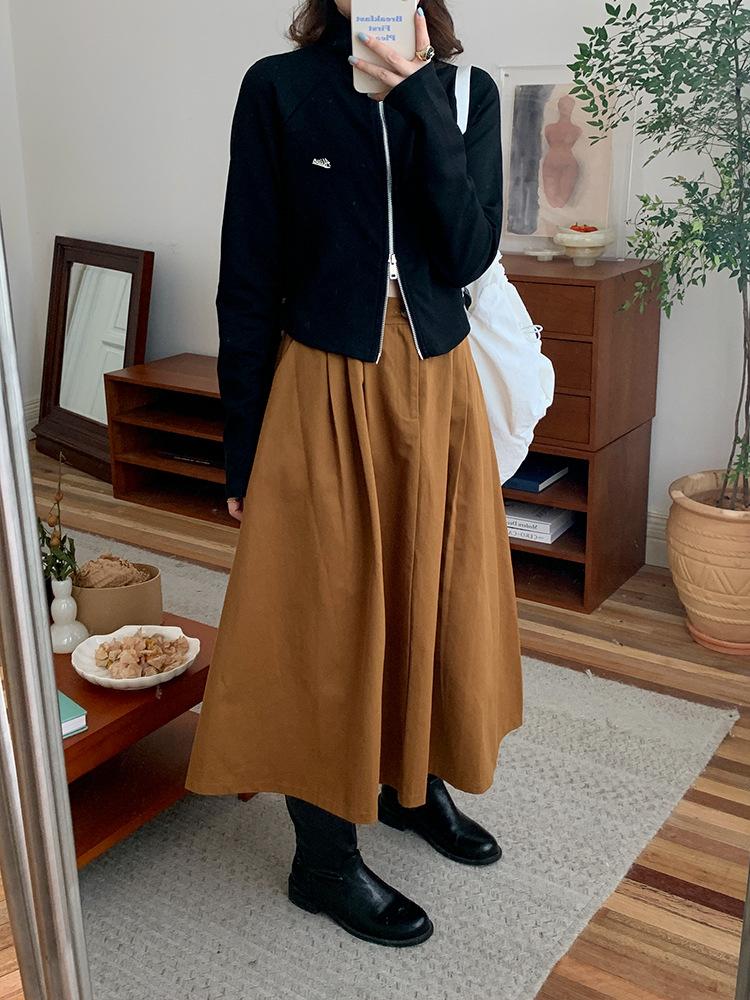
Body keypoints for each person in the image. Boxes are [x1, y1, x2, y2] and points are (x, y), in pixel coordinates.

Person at [185, 0, 524, 948]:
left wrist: (415, 96)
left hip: (438, 380)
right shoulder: (280, 89)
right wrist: (244, 444)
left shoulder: (466, 92)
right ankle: (324, 861)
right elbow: (247, 272)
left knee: (433, 596)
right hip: (323, 378)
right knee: (322, 614)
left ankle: (411, 786)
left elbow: (468, 254)